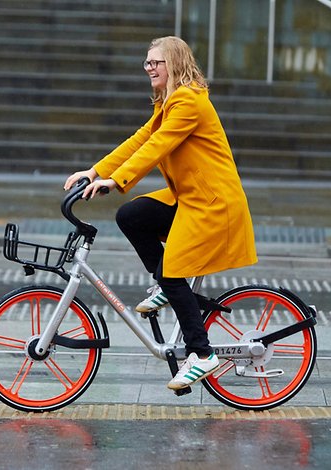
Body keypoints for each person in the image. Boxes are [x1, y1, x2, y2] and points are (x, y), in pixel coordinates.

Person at [64, 36, 257, 391]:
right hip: (190, 199)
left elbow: (157, 147)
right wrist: (94, 172)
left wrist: (114, 181)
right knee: (132, 216)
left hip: (213, 206)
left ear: (176, 64)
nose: (149, 68)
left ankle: (202, 354)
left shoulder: (188, 102)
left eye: (157, 62)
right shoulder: (167, 103)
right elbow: (140, 139)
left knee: (171, 272)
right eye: (147, 62)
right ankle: (169, 287)